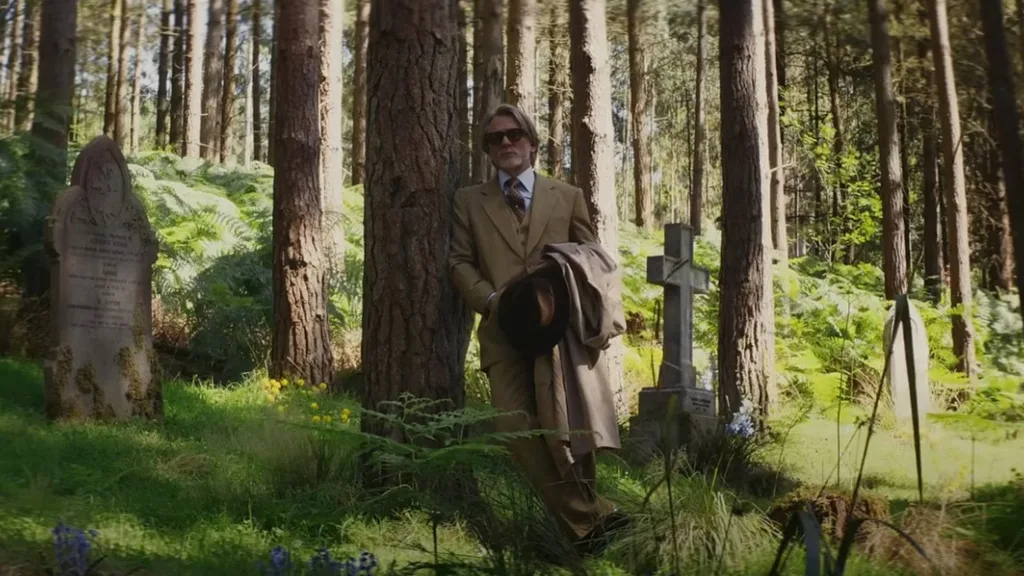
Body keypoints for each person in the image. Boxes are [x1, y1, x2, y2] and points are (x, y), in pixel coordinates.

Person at [448, 103, 627, 555]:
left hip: (559, 332)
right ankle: (595, 517)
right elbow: (458, 261)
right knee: (513, 425)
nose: (505, 143)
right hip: (502, 331)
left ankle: (584, 535)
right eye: (495, 138)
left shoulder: (566, 196)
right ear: (488, 150)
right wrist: (490, 301)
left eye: (513, 134)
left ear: (531, 142)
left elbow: (594, 257)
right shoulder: (470, 200)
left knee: (567, 427)